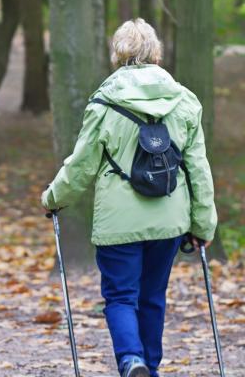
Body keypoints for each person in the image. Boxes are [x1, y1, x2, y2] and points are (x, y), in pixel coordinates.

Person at [41, 18, 217, 377]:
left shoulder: (104, 104)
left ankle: (131, 360)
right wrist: (203, 224)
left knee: (121, 297)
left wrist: (54, 197)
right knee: (152, 297)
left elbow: (81, 165)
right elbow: (198, 168)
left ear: (118, 53)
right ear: (156, 53)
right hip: (170, 220)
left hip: (118, 223)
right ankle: (148, 367)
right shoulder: (185, 102)